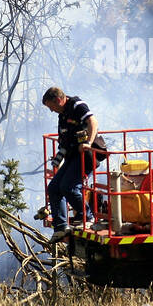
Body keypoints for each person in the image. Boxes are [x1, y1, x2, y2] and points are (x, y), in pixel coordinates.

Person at [41, 87, 99, 238]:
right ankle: (61, 227)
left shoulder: (77, 105)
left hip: (85, 156)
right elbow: (65, 141)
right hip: (72, 157)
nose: (51, 111)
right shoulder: (62, 115)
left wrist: (88, 142)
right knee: (53, 188)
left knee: (68, 187)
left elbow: (93, 121)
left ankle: (87, 217)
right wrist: (58, 159)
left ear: (58, 100)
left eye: (51, 107)